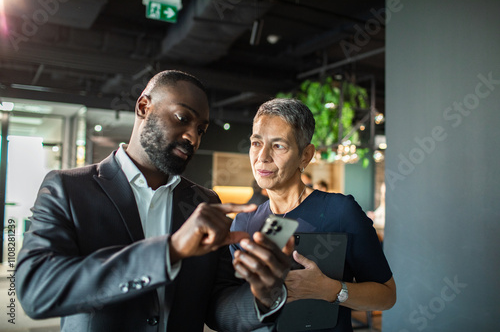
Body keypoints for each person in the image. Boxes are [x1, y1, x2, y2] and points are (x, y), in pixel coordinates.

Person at [16, 71, 293, 332]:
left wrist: (261, 295)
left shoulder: (204, 202)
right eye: (183, 118)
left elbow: (217, 306)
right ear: (143, 107)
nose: (192, 138)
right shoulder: (69, 188)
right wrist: (169, 252)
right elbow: (36, 290)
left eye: (201, 130)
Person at [231, 98, 396, 331]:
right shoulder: (243, 223)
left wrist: (330, 290)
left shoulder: (340, 212)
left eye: (278, 146)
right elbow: (231, 306)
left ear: (305, 156)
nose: (263, 156)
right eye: (257, 143)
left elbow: (387, 296)